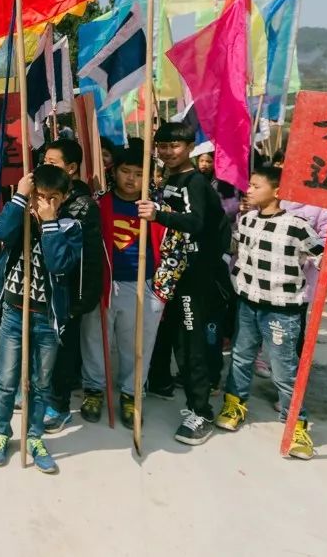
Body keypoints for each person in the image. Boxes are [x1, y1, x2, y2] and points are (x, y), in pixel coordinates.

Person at [215, 165, 327, 460]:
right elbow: (234, 249)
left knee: (284, 367)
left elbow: (324, 261)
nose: (248, 191)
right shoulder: (246, 220)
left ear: (278, 192)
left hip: (283, 310)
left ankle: (296, 423)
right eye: (249, 185)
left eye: (256, 186)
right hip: (248, 303)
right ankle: (235, 403)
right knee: (241, 356)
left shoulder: (297, 226)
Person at [0, 166, 82, 473]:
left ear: (63, 198)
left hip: (46, 319)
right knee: (7, 380)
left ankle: (34, 435)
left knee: (40, 384)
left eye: (53, 198)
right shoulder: (21, 216)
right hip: (14, 312)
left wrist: (49, 222)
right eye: (40, 197)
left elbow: (59, 264)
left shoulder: (69, 227)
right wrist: (21, 198)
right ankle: (1, 431)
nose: (44, 203)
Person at [138, 121, 231, 446]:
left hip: (196, 277)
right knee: (176, 339)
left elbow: (195, 222)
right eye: (162, 146)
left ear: (190, 146)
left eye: (174, 146)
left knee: (192, 346)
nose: (167, 151)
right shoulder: (168, 179)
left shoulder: (194, 182)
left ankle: (202, 411)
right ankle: (185, 396)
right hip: (173, 273)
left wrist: (158, 214)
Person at [78, 138, 169, 427]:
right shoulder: (97, 204)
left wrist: (161, 291)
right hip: (103, 284)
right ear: (114, 171)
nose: (132, 179)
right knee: (95, 338)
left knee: (137, 343)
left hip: (141, 284)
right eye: (126, 171)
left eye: (140, 173)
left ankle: (132, 393)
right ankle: (94, 388)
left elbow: (172, 248)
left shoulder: (156, 208)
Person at [38, 140, 103, 430]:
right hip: (44, 290)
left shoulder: (80, 205)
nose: (45, 166)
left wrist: (82, 299)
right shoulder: (43, 196)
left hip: (69, 292)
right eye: (45, 161)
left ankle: (59, 405)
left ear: (72, 168)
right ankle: (42, 394)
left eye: (52, 163)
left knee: (63, 349)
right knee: (45, 345)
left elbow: (84, 260)